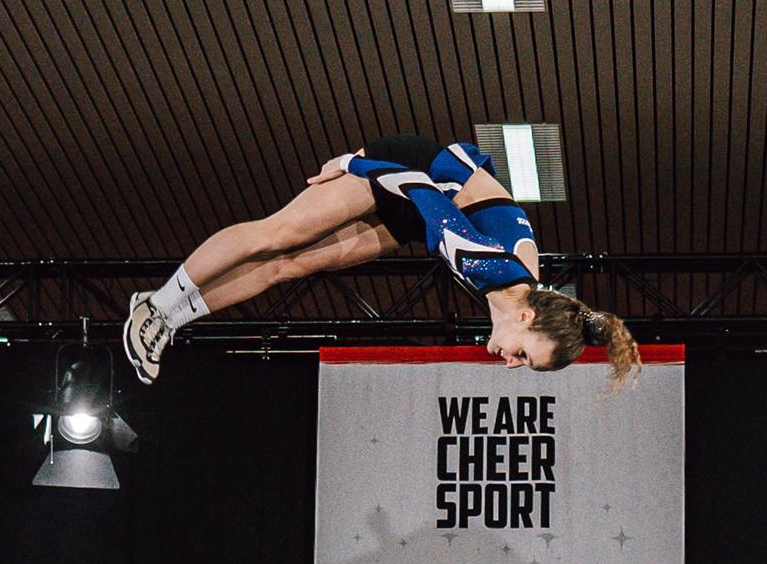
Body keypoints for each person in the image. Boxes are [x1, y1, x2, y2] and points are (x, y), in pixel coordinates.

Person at [121, 140, 638, 386]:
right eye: (523, 356)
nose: (509, 362)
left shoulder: (520, 291)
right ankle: (156, 305)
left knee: (292, 267)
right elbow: (413, 185)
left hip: (432, 206)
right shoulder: (486, 266)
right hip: (411, 172)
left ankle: (170, 320)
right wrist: (351, 165)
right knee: (278, 236)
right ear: (525, 318)